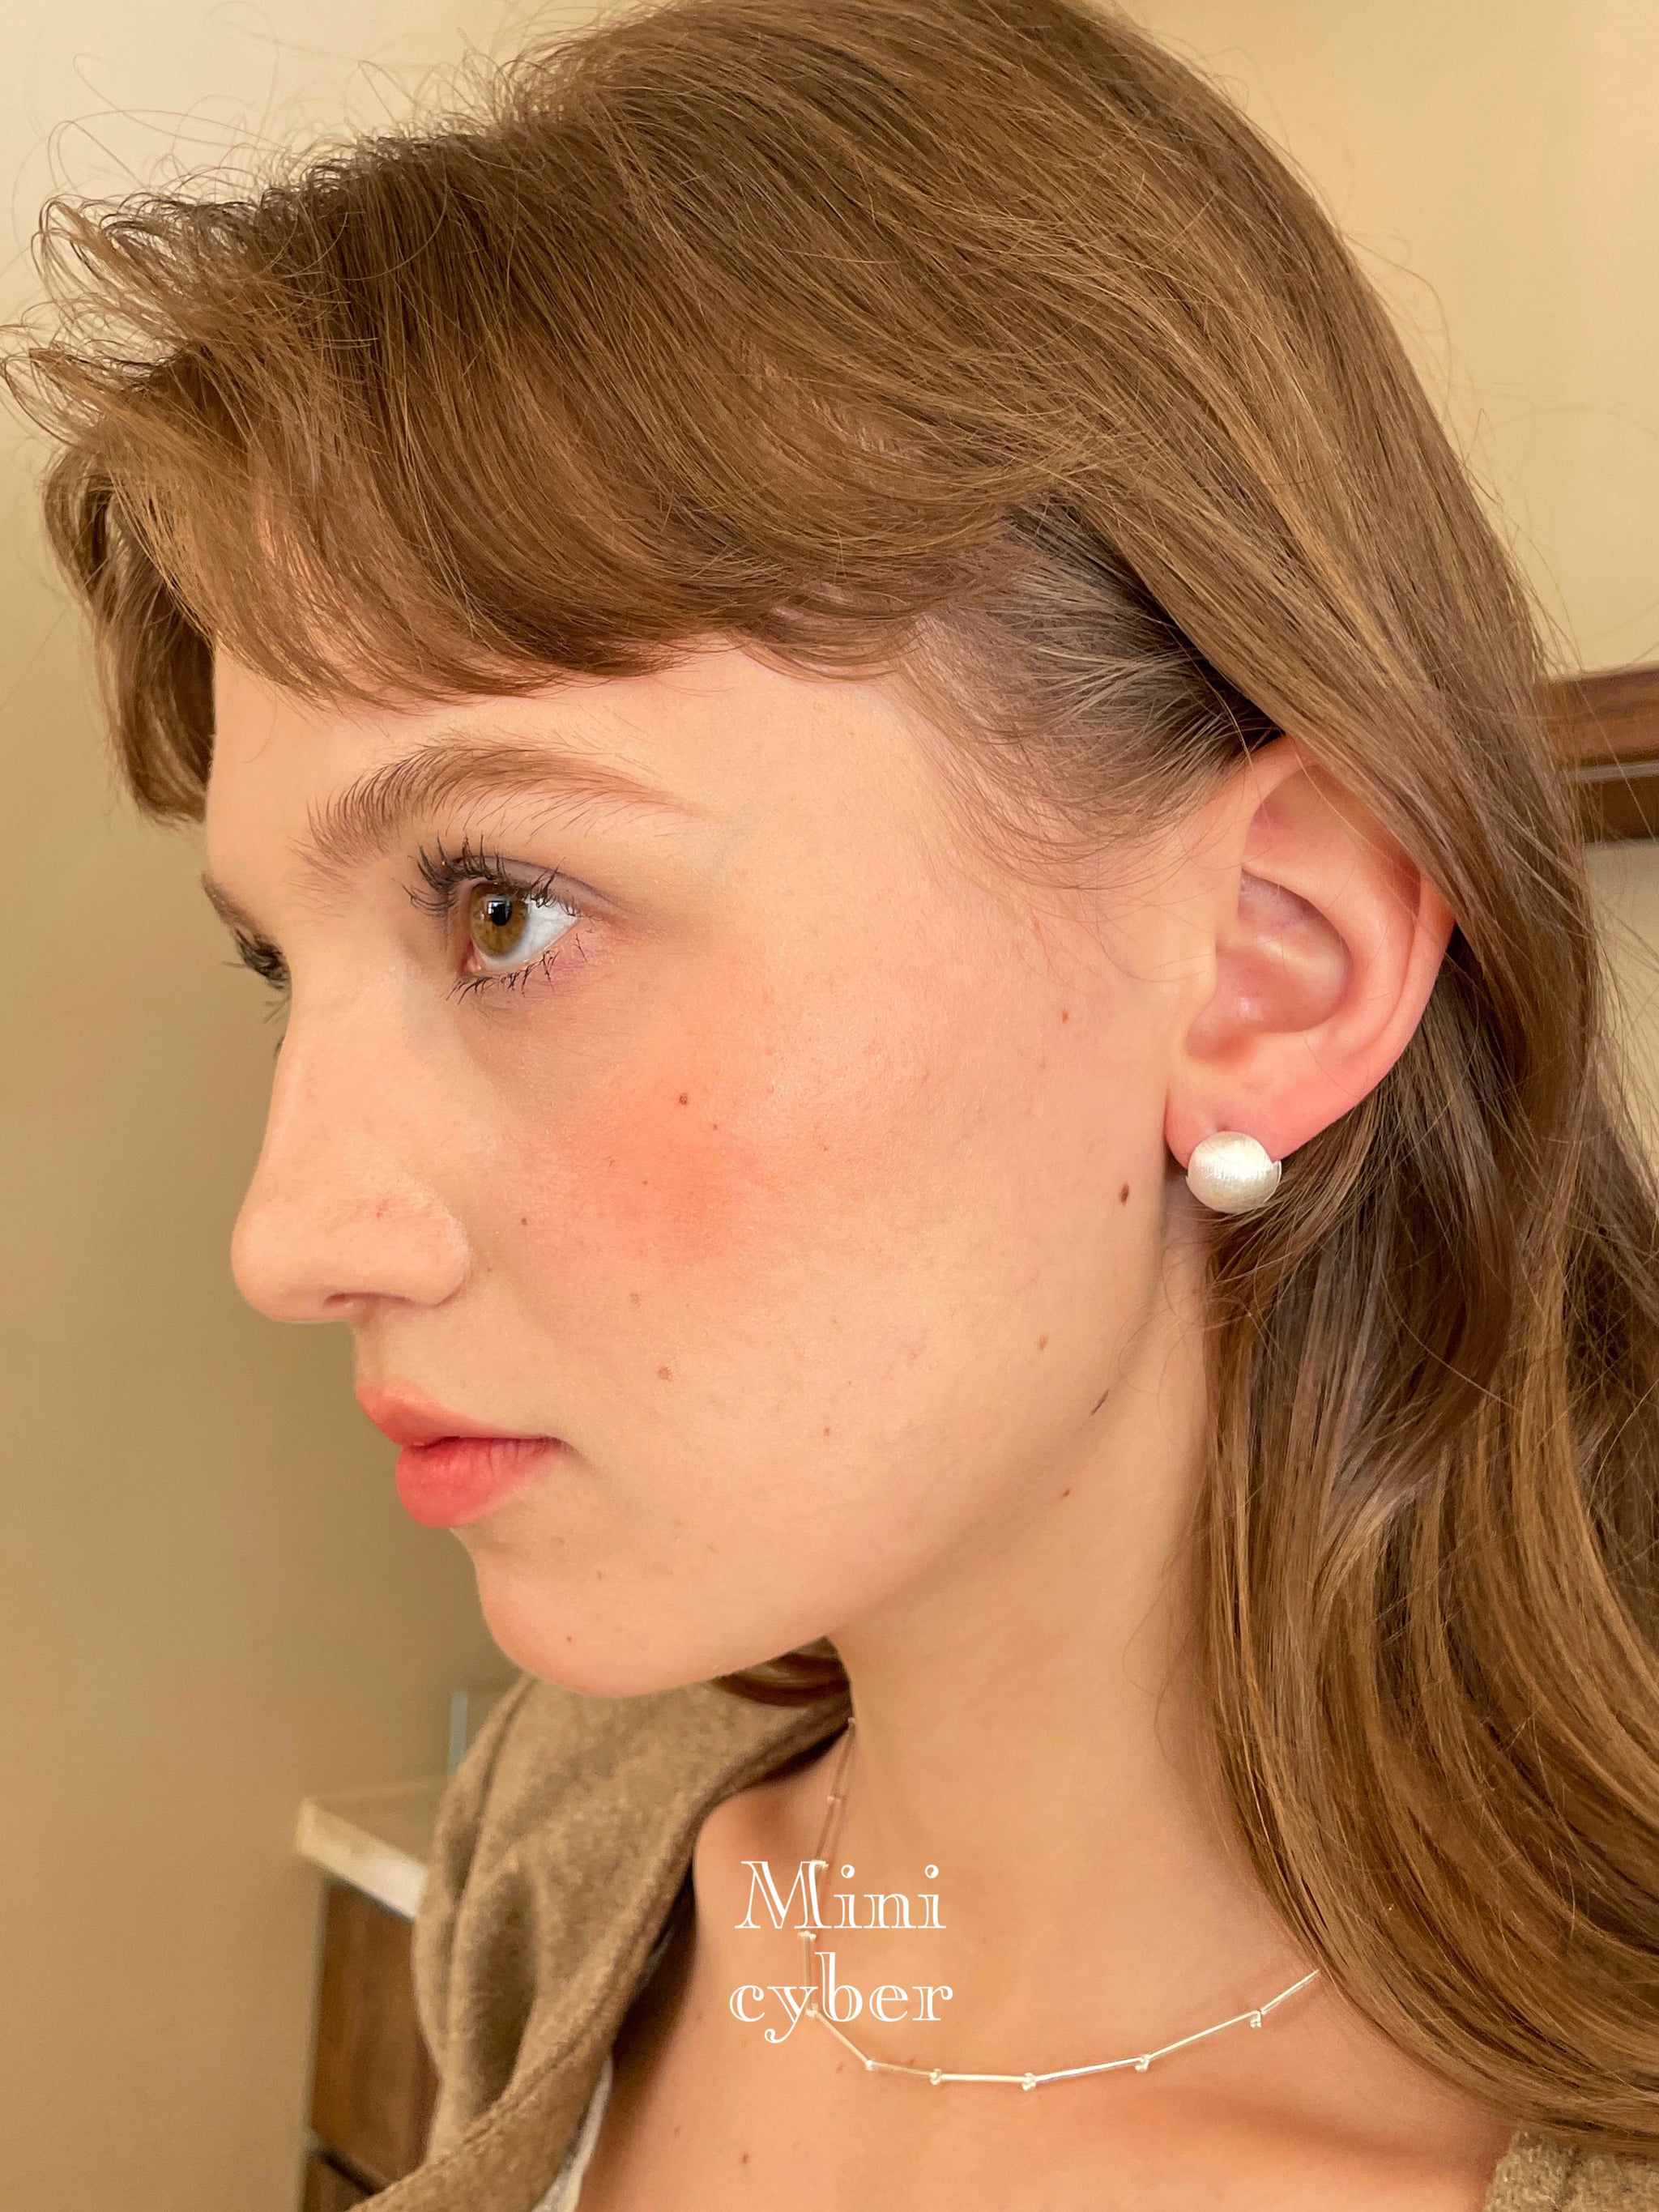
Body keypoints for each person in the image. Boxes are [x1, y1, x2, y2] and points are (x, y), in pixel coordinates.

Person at [12, 0, 1659, 2203]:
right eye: (278, 971)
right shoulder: (572, 1856)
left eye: (503, 911)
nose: (289, 1236)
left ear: (1273, 966)